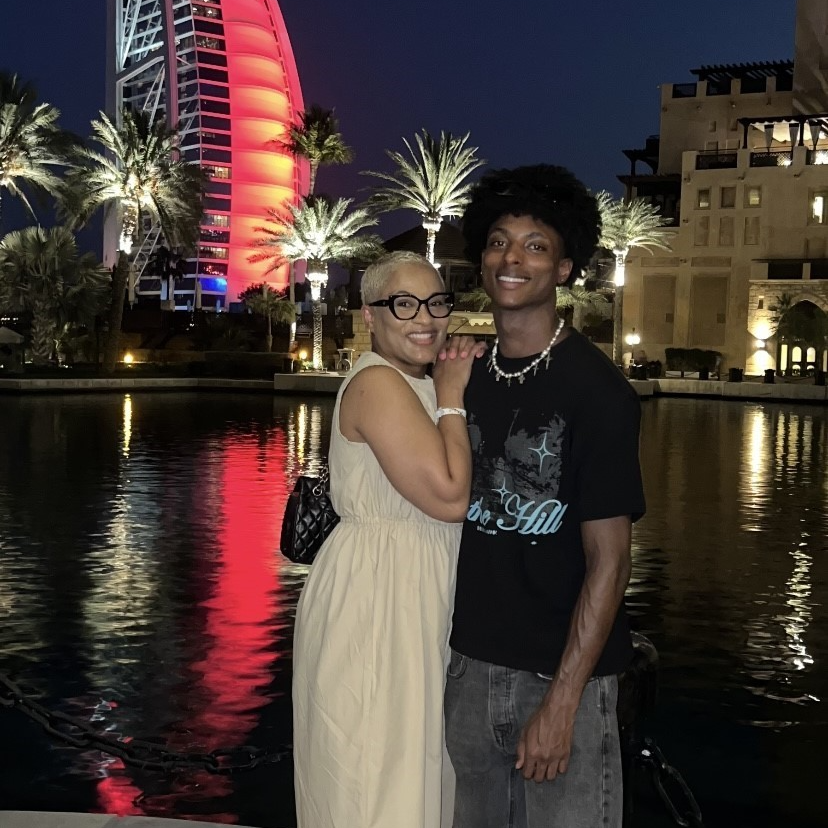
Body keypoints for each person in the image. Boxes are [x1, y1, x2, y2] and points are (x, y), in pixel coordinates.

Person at [441, 165, 646, 828]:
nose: (512, 258)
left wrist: (561, 704)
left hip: (563, 682)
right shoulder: (464, 380)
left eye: (535, 245)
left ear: (563, 268)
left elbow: (610, 562)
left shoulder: (599, 393)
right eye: (500, 240)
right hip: (471, 671)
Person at [292, 250, 484, 828]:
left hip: (413, 588)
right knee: (376, 769)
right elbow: (451, 498)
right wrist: (452, 395)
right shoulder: (378, 382)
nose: (424, 317)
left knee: (413, 763)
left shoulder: (412, 384)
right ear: (370, 316)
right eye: (403, 304)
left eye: (436, 302)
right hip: (380, 596)